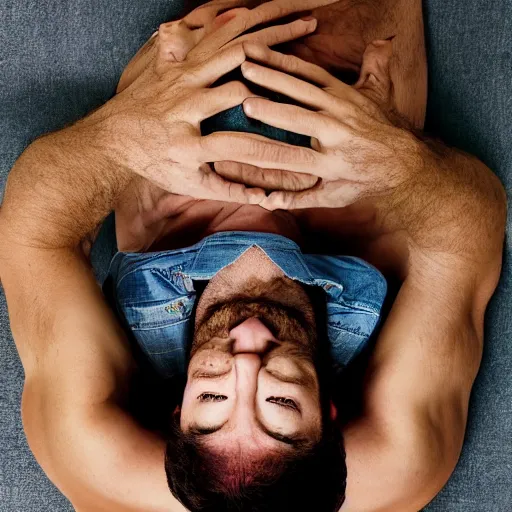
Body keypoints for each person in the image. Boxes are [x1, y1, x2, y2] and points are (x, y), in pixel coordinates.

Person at [0, 1, 506, 511]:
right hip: (346, 44)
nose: (249, 341)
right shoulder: (398, 457)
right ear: (331, 416)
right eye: (281, 400)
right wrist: (399, 166)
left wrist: (119, 143)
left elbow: (31, 235)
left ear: (174, 413)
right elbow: (473, 235)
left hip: (200, 41)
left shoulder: (95, 449)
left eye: (213, 397)